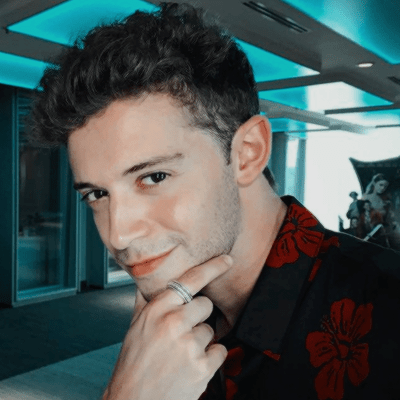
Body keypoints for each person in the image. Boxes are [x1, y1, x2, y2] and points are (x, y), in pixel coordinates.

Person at [29, 3, 400, 399]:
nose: (118, 234)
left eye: (154, 177)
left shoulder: (387, 321)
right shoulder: (170, 320)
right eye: (98, 194)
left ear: (248, 153)